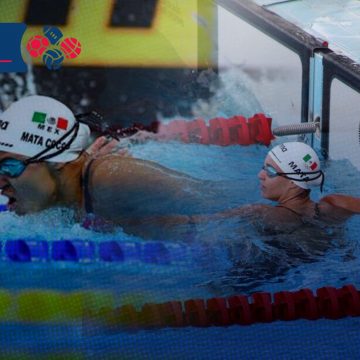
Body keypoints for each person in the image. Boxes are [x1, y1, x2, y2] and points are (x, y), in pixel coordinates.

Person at [0, 95, 359, 237]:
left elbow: (215, 198)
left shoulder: (113, 180)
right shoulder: (76, 184)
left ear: (59, 163)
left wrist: (306, 214)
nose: (1, 184)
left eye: (10, 169)